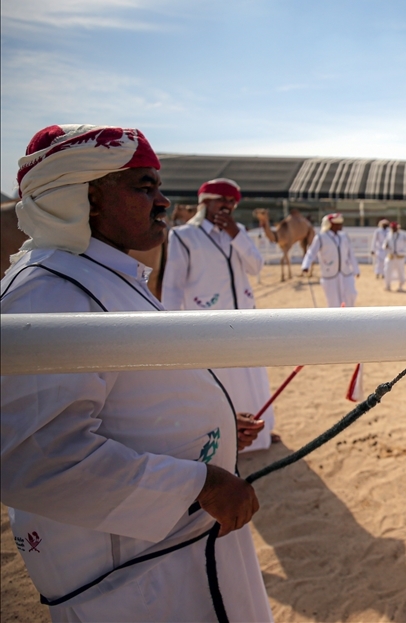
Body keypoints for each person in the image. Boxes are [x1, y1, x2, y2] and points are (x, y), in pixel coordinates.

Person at [0, 124, 272, 622]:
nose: (163, 202)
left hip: (170, 552)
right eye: (145, 187)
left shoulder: (97, 275)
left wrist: (209, 427)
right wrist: (202, 484)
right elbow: (38, 460)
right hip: (132, 576)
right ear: (86, 198)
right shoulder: (49, 293)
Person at [162, 178, 277, 450]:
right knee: (221, 381)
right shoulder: (183, 236)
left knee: (252, 379)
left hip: (246, 321)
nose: (227, 206)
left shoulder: (239, 233)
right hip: (209, 324)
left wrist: (236, 235)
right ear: (204, 203)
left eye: (231, 202)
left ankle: (261, 431)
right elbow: (173, 285)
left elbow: (256, 266)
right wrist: (167, 325)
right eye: (221, 200)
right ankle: (225, 439)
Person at [300, 213, 359, 308]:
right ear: (331, 225)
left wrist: (356, 270)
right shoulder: (320, 237)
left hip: (346, 273)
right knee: (333, 301)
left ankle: (349, 316)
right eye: (338, 223)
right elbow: (311, 253)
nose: (341, 225)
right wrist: (306, 265)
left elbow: (350, 254)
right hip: (329, 275)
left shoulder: (344, 236)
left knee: (351, 295)